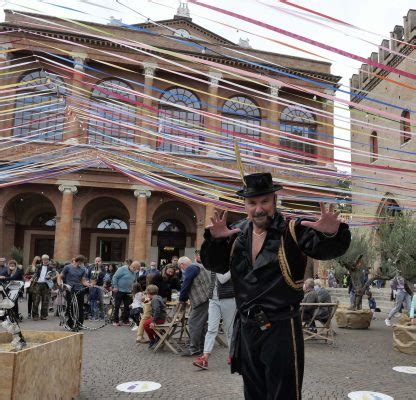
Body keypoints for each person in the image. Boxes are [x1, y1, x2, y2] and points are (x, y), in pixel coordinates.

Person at [200, 172, 350, 400]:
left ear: (274, 201)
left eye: (264, 201)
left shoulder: (292, 229)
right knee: (253, 392)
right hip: (248, 326)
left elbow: (326, 249)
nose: (258, 209)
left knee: (284, 394)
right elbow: (215, 265)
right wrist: (216, 242)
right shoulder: (235, 233)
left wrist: (331, 234)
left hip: (280, 328)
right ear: (245, 204)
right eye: (252, 203)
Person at [193, 270, 236, 370]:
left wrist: (216, 267)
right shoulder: (213, 262)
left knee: (230, 331)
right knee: (211, 329)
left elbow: (223, 279)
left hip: (229, 298)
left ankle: (233, 355)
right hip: (213, 299)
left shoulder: (230, 263)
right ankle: (205, 358)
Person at [178, 256, 210, 357]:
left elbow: (186, 283)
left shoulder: (191, 268)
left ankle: (194, 349)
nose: (182, 270)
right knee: (201, 324)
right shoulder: (199, 266)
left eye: (181, 267)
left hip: (201, 300)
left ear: (182, 265)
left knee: (193, 323)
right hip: (206, 298)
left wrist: (182, 298)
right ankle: (202, 347)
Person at [57, 255, 89, 331]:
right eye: (81, 262)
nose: (82, 264)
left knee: (80, 307)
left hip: (80, 289)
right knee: (70, 307)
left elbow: (83, 281)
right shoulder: (68, 267)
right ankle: (70, 324)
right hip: (70, 289)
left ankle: (79, 324)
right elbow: (60, 276)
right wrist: (60, 285)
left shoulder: (83, 269)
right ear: (78, 261)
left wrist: (88, 284)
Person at [111, 260, 140, 326]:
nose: (137, 271)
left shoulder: (134, 272)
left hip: (128, 291)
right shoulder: (122, 269)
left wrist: (134, 290)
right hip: (119, 290)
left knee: (128, 306)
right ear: (133, 266)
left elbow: (134, 281)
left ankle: (125, 320)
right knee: (117, 306)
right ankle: (115, 321)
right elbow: (115, 277)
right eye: (137, 269)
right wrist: (115, 286)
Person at [143, 284, 167, 349]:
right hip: (161, 317)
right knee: (146, 324)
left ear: (149, 293)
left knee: (145, 324)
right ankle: (156, 336)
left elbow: (157, 310)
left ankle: (156, 337)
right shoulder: (157, 297)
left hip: (159, 318)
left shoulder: (155, 299)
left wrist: (153, 321)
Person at [32, 254, 53, 321]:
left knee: (45, 301)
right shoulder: (38, 266)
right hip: (38, 284)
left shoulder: (51, 267)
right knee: (36, 300)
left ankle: (43, 315)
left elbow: (54, 274)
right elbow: (35, 273)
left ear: (48, 260)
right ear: (42, 260)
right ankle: (35, 315)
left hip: (46, 284)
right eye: (44, 259)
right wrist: (33, 278)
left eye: (47, 259)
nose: (46, 261)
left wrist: (50, 277)